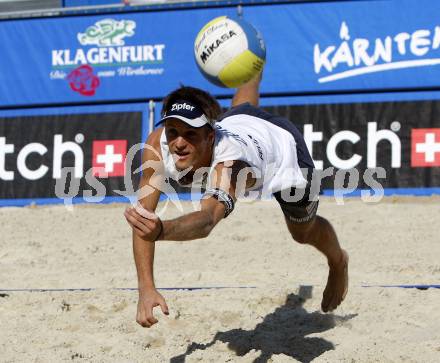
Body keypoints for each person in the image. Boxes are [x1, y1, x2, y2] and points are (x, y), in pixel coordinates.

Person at [124, 74, 349, 328]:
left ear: (210, 137)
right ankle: (253, 69)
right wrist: (146, 288)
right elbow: (143, 218)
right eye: (173, 132)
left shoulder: (231, 166)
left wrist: (161, 231)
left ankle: (338, 261)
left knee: (302, 233)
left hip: (284, 153)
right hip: (243, 123)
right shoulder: (157, 143)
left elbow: (208, 220)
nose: (178, 143)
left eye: (189, 134)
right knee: (241, 109)